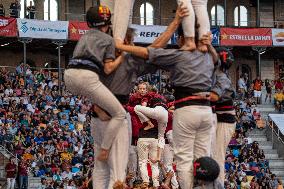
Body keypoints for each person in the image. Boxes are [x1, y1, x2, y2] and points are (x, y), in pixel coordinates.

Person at [116, 23, 218, 189]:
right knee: (204, 157)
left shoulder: (179, 54)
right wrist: (209, 45)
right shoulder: (208, 57)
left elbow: (147, 52)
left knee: (184, 159)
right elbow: (217, 61)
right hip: (207, 111)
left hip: (187, 108)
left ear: (180, 39)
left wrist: (121, 46)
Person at [64, 5, 126, 162]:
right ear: (107, 25)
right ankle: (105, 150)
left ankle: (97, 105)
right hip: (87, 77)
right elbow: (108, 68)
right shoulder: (108, 40)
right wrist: (123, 56)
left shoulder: (83, 37)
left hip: (69, 76)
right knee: (120, 114)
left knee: (93, 88)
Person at [211, 47, 236, 187]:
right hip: (218, 118)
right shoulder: (216, 73)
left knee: (218, 156)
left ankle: (218, 185)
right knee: (212, 154)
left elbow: (214, 97)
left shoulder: (221, 76)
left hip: (225, 120)